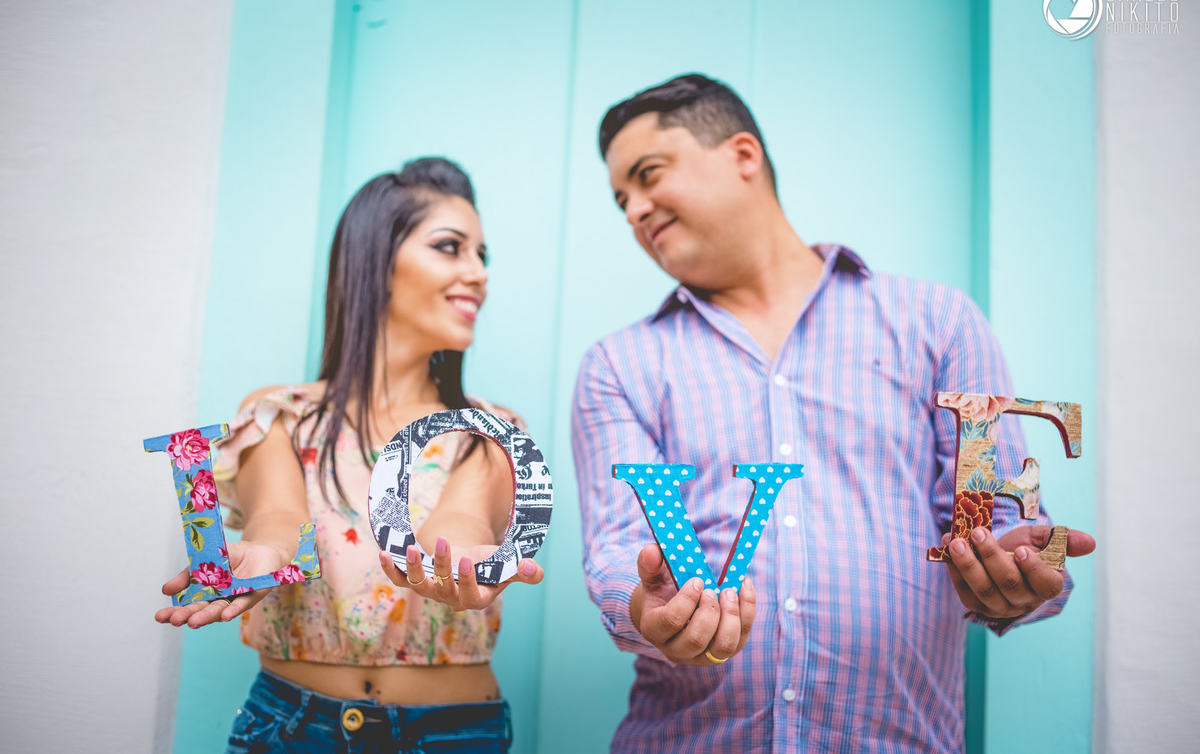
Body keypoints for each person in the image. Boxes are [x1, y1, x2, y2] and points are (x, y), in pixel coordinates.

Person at [570, 74, 1097, 753]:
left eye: (648, 175)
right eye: (621, 200)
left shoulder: (938, 322)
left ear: (743, 155)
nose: (635, 210)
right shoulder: (618, 366)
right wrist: (646, 609)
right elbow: (618, 547)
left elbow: (996, 522)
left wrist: (1017, 574)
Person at [156, 157, 543, 753]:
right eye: (451, 247)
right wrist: (263, 553)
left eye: (482, 256)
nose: (478, 273)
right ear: (377, 263)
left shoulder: (491, 432)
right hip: (289, 730)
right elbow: (278, 520)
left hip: (453, 737)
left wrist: (457, 565)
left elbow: (459, 526)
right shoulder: (281, 415)